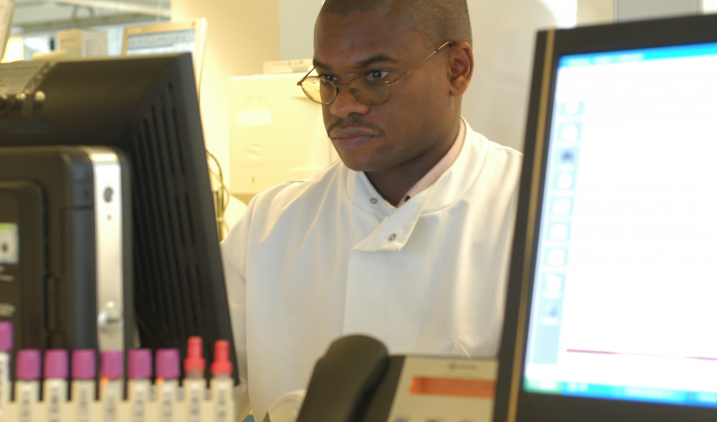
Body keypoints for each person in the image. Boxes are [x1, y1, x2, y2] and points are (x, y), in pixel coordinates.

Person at [221, 0, 523, 418]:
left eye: (375, 76)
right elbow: (185, 398)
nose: (343, 106)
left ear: (457, 69)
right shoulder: (267, 227)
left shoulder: (534, 215)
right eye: (329, 79)